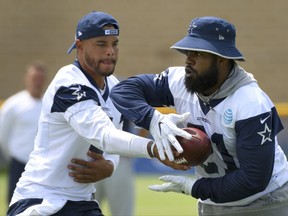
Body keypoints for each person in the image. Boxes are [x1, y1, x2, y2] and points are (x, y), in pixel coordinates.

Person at [6, 11, 190, 216]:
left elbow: (115, 140)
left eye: (115, 43)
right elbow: (104, 136)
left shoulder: (114, 87)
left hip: (82, 200)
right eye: (101, 44)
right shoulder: (68, 83)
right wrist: (155, 149)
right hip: (41, 198)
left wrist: (111, 165)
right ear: (80, 46)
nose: (110, 51)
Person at [110, 16, 288, 216]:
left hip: (264, 203)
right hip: (212, 204)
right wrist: (153, 119)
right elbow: (122, 91)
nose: (188, 60)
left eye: (198, 53)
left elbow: (253, 179)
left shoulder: (250, 103)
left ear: (221, 59)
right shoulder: (180, 81)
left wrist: (195, 188)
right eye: (188, 52)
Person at [0, 61, 48, 204]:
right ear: (27, 78)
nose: (37, 83)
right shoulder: (14, 104)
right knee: (15, 204)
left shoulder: (49, 104)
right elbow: (3, 134)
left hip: (42, 166)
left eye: (40, 79)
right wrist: (12, 155)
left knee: (40, 205)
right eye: (34, 78)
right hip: (19, 162)